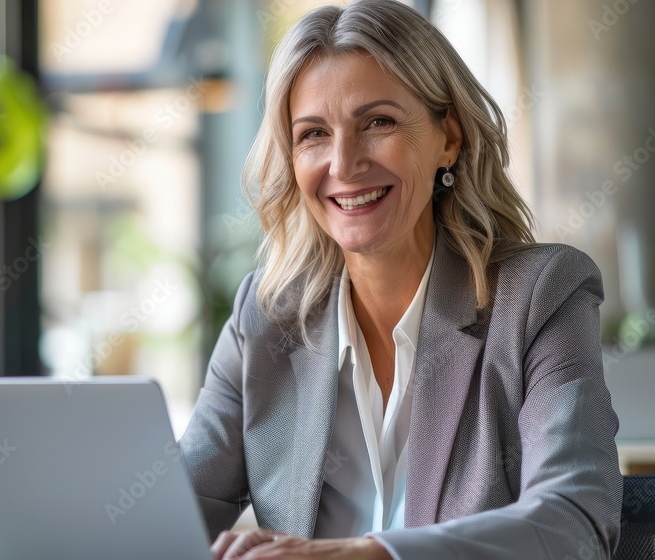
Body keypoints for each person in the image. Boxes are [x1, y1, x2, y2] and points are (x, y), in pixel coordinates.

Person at [178, 1, 622, 559]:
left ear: (449, 138)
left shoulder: (540, 296)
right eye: (313, 133)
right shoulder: (265, 318)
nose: (343, 163)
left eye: (378, 123)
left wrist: (368, 554)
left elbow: (574, 523)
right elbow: (171, 510)